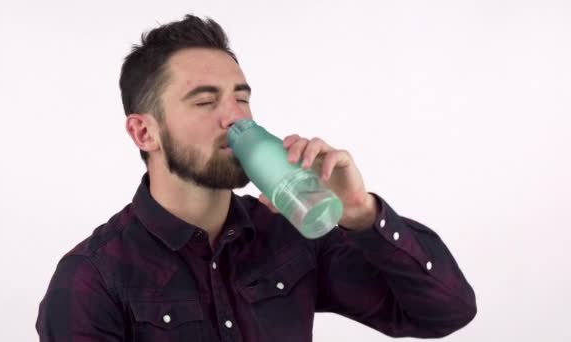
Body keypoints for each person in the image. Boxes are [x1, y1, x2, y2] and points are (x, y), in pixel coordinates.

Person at [36, 14, 476, 342]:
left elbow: (444, 312)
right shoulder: (93, 277)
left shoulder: (291, 232)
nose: (235, 118)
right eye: (206, 102)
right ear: (144, 131)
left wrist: (361, 213)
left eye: (241, 98)